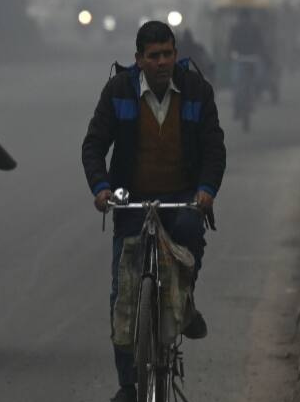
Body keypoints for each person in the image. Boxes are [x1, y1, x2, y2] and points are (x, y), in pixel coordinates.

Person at [82, 20, 227, 402]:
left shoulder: (197, 90)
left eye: (168, 54)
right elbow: (94, 145)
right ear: (139, 60)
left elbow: (214, 148)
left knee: (188, 241)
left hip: (182, 197)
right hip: (131, 199)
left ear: (176, 55)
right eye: (154, 56)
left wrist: (206, 192)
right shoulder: (118, 91)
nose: (162, 62)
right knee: (123, 292)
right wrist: (101, 190)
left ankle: (186, 304)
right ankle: (128, 385)